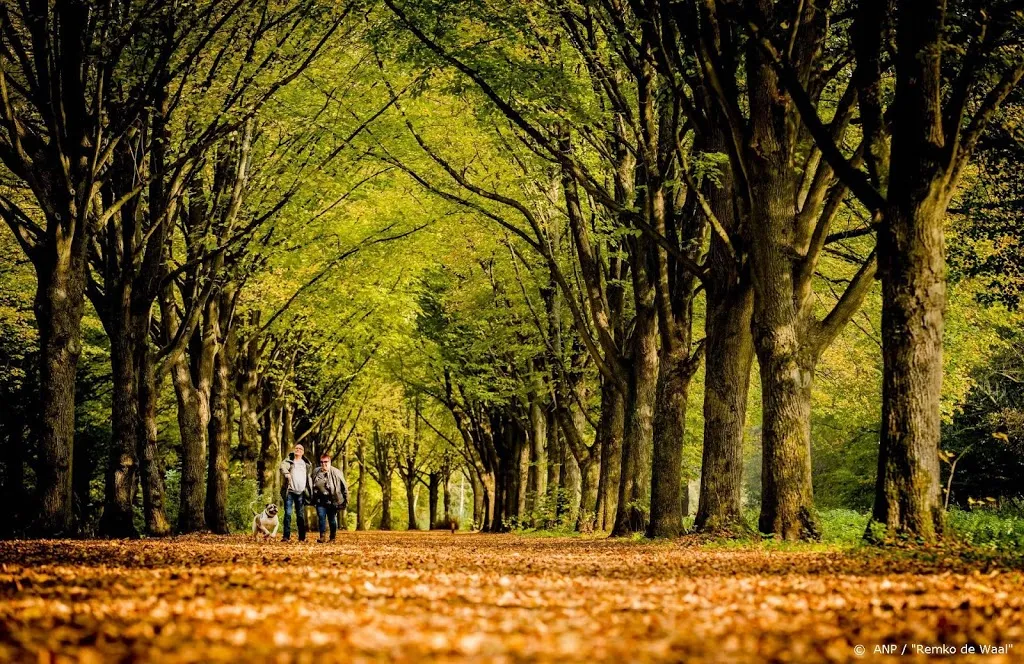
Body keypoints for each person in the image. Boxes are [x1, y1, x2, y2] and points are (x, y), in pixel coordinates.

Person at [311, 453, 348, 542]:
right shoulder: (316, 471)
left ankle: (332, 537)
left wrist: (345, 500)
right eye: (322, 462)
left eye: (326, 462)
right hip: (320, 500)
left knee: (332, 519)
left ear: (330, 462)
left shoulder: (336, 472)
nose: (324, 464)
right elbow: (310, 483)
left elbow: (344, 486)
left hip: (333, 500)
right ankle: (322, 537)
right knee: (321, 517)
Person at [279, 443, 312, 541]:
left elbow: (309, 477)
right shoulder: (289, 460)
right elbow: (282, 466)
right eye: (296, 448)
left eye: (300, 449)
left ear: (303, 452)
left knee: (300, 515)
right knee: (288, 514)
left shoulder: (306, 464)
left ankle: (302, 537)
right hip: (290, 492)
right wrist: (286, 473)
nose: (297, 450)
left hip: (301, 493)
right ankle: (286, 536)